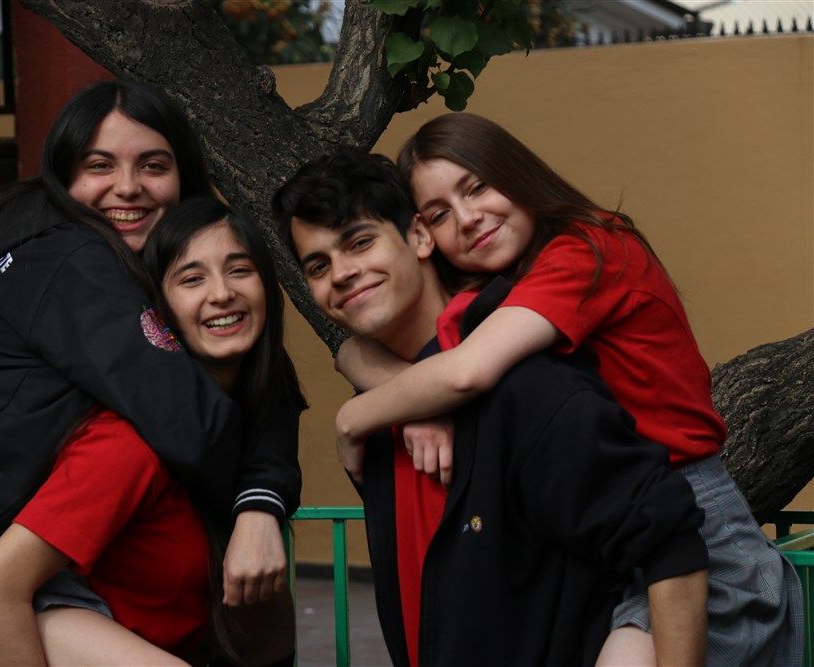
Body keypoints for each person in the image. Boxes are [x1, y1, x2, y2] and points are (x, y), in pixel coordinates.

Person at [0, 80, 300, 667]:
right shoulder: (69, 257)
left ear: (183, 176)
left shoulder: (103, 265)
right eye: (98, 165)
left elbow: (256, 380)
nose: (127, 186)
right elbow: (193, 416)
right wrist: (258, 505)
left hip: (20, 581)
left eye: (153, 165)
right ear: (61, 175)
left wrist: (261, 493)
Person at [327, 114, 805, 666]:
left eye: (477, 187)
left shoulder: (589, 248)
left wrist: (356, 417)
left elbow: (465, 374)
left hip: (695, 530)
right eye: (439, 214)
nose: (467, 218)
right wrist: (417, 405)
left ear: (515, 171)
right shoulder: (501, 291)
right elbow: (359, 349)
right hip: (604, 539)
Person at [272, 147, 710, 667]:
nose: (342, 273)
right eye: (318, 266)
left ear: (419, 236)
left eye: (360, 242)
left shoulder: (525, 386)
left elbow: (669, 541)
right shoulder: (381, 415)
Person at [0, 197, 304, 667]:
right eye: (192, 279)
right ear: (156, 310)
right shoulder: (127, 443)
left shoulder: (256, 421)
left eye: (240, 270)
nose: (222, 293)